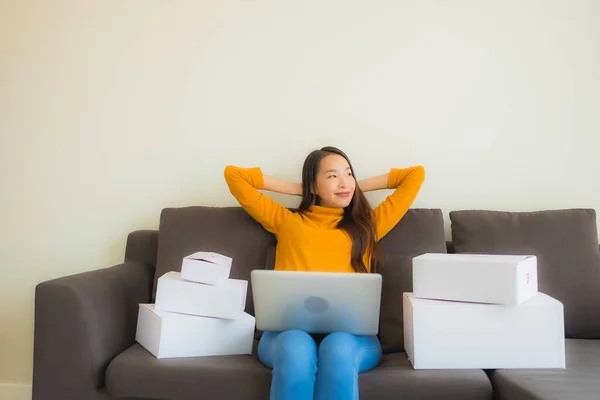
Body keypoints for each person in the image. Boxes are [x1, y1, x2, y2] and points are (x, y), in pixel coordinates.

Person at [224, 146, 425, 400]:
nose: (344, 183)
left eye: (348, 174)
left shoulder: (368, 226)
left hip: (352, 339)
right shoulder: (287, 222)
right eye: (332, 176)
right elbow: (234, 176)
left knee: (337, 346)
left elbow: (414, 175)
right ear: (313, 186)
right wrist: (301, 188)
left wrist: (351, 185)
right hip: (285, 336)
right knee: (296, 347)